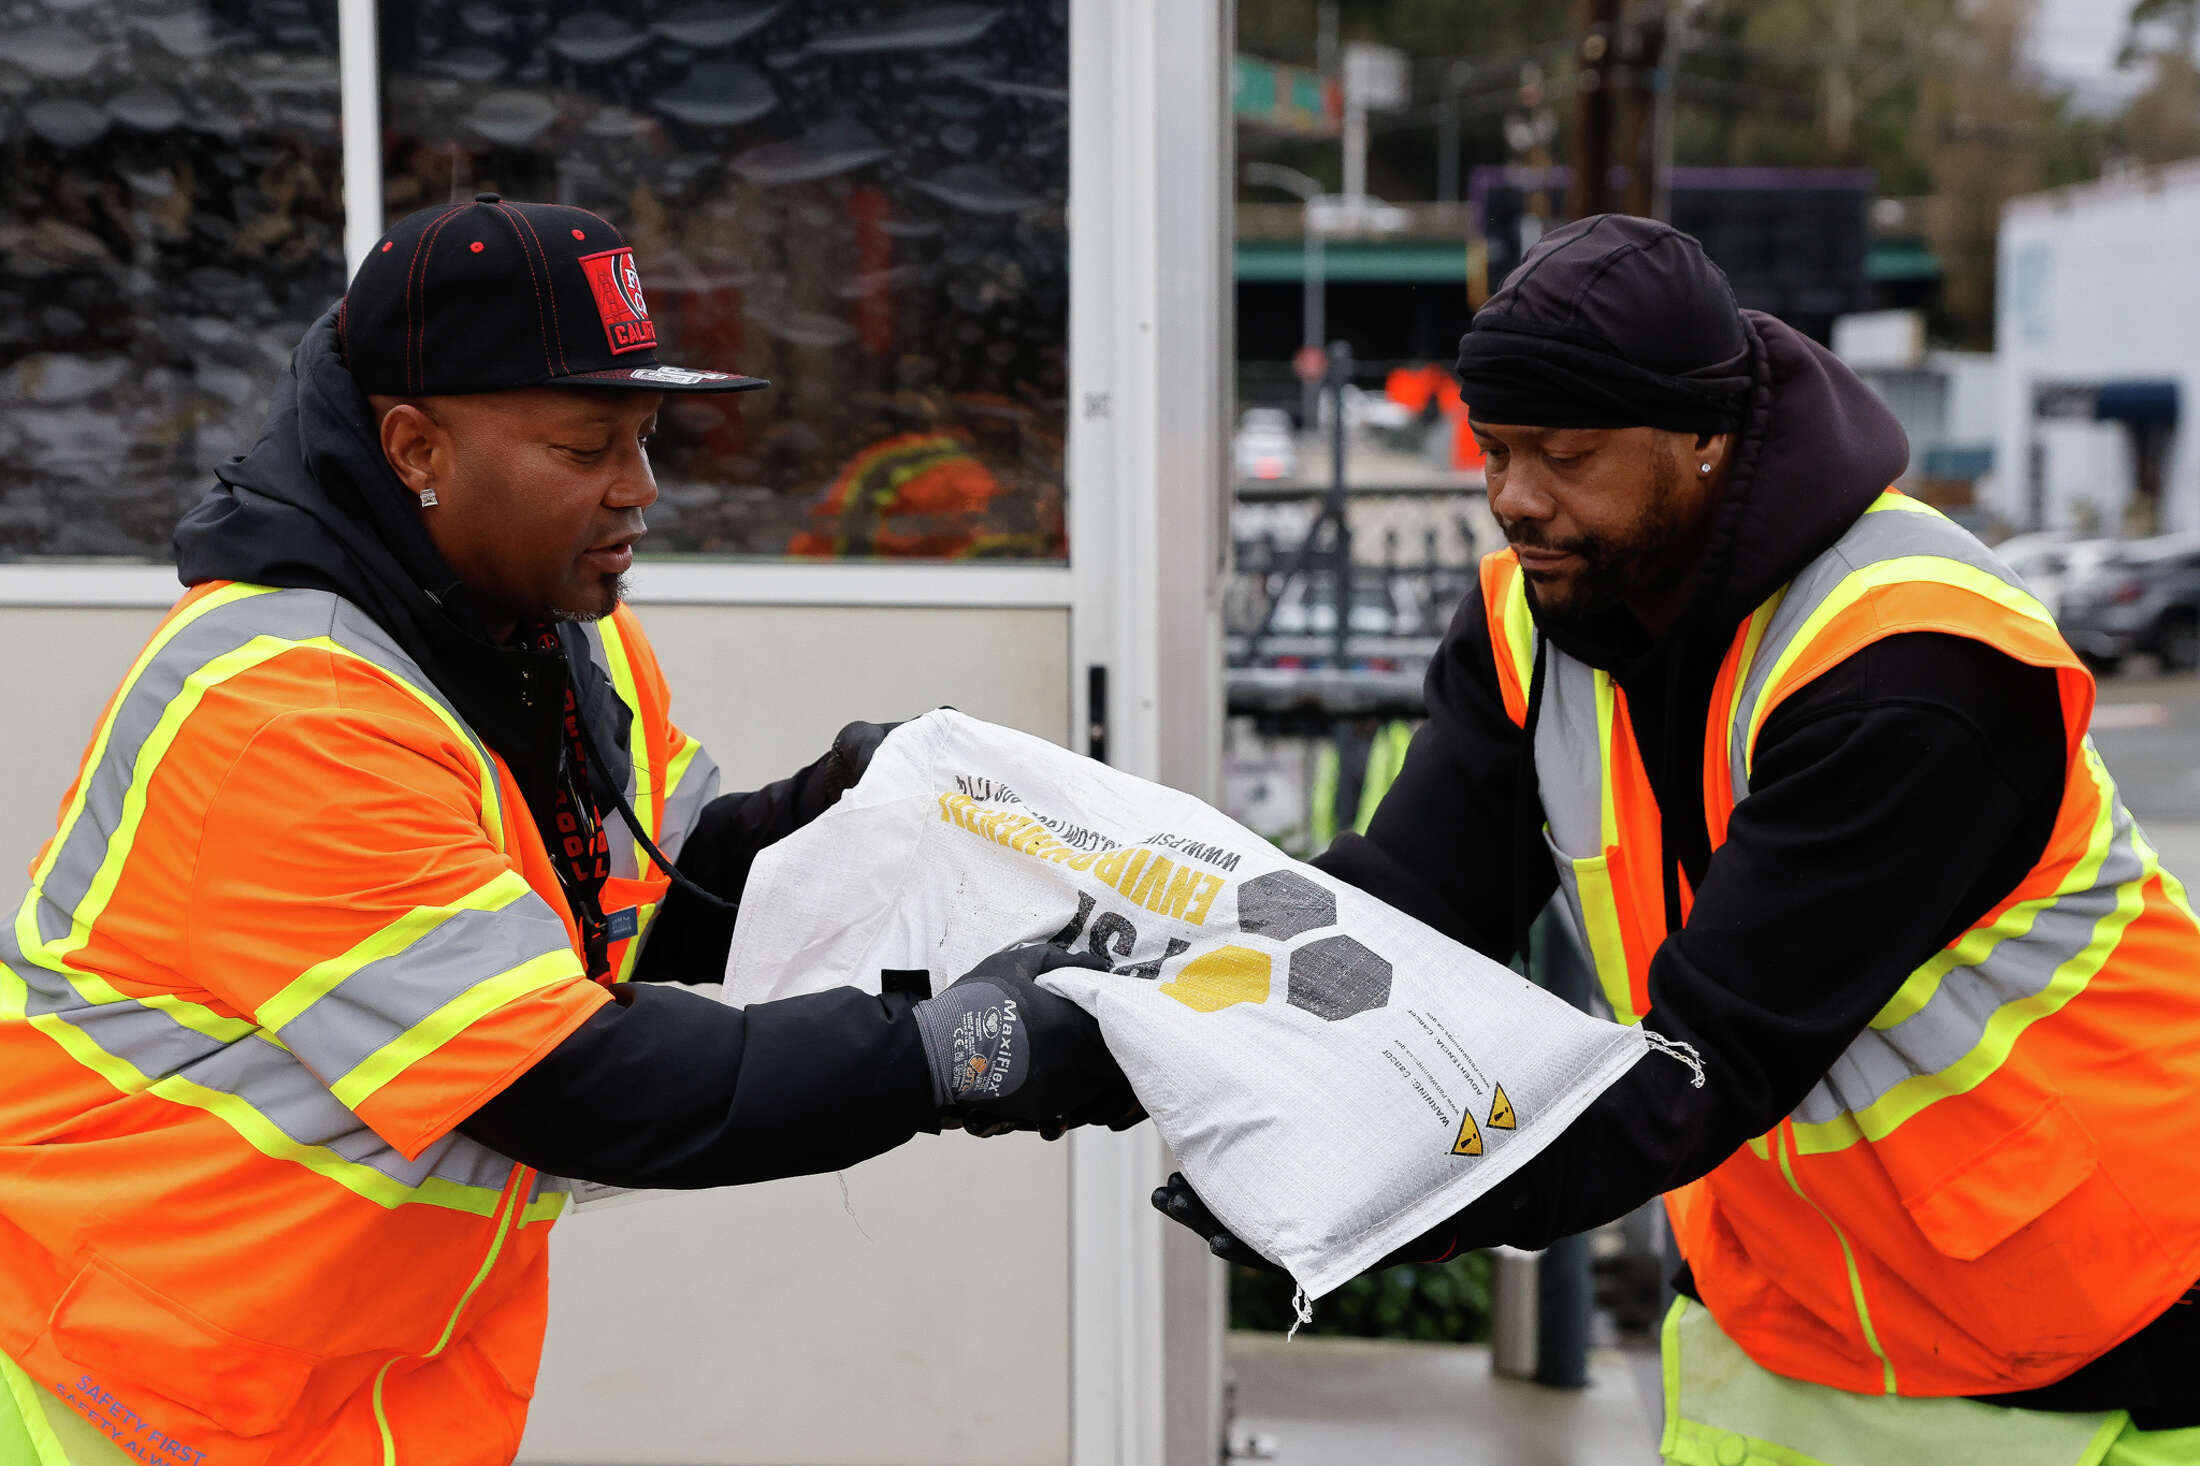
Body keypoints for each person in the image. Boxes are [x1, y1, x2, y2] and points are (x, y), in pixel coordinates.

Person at [0, 195, 1136, 1466]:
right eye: (586, 444)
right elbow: (565, 1081)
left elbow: (646, 888)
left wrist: (849, 808)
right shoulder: (291, 713)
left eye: (645, 437)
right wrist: (954, 1053)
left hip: (340, 1393)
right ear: (416, 446)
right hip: (110, 1391)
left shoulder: (542, 630)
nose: (639, 490)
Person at [1157, 215, 2200, 1463]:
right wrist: (1098, 1022)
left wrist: (1375, 1197)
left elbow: (1705, 1058)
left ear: (1705, 436)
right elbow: (1396, 913)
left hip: (2107, 1322)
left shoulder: (1911, 661)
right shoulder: (1537, 618)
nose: (1514, 497)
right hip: (1793, 1313)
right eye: (1495, 449)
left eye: (1564, 454)